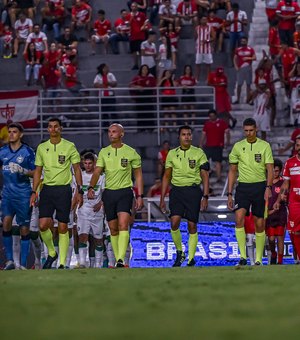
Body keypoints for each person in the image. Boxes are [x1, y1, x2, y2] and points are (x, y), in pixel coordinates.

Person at [87, 123, 144, 268]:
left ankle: (120, 259)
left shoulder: (131, 152)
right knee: (113, 228)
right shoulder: (104, 152)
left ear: (121, 134)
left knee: (123, 224)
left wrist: (140, 195)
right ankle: (118, 258)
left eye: (114, 131)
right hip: (109, 193)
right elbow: (97, 172)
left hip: (125, 192)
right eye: (109, 131)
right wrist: (91, 187)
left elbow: (138, 175)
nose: (110, 134)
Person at [30, 117, 83, 269]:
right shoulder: (42, 148)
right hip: (47, 189)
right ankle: (52, 252)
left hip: (63, 190)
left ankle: (61, 263)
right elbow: (38, 171)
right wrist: (34, 191)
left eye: (56, 126)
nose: (53, 129)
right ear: (48, 129)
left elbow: (77, 169)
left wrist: (79, 190)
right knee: (43, 225)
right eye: (50, 127)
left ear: (60, 129)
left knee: (63, 227)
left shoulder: (69, 146)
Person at [160, 125, 209, 267]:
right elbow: (166, 176)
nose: (186, 137)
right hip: (177, 191)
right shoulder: (171, 154)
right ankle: (180, 252)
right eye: (184, 134)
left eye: (189, 134)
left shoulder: (199, 153)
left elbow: (205, 176)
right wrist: (162, 198)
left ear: (192, 137)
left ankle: (191, 258)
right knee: (174, 222)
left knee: (192, 225)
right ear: (179, 137)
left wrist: (205, 196)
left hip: (193, 191)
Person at [227, 118, 274, 266]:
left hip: (260, 186)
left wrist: (268, 188)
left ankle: (259, 259)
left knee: (259, 223)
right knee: (238, 219)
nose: (248, 133)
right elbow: (233, 171)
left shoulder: (264, 146)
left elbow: (270, 169)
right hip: (243, 187)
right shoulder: (237, 146)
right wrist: (229, 193)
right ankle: (243, 257)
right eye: (246, 131)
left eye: (251, 130)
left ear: (256, 129)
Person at [0, 123, 35, 270]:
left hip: (23, 194)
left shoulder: (28, 152)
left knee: (24, 228)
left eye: (15, 132)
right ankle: (9, 261)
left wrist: (23, 171)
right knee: (6, 223)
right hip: (7, 194)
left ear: (21, 134)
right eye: (10, 132)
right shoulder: (2, 152)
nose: (11, 134)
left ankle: (23, 263)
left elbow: (36, 172)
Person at [77, 152, 105, 268]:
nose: (88, 165)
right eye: (85, 163)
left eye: (90, 163)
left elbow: (106, 193)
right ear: (83, 164)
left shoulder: (101, 176)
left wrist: (101, 203)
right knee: (82, 236)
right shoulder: (79, 176)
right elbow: (75, 193)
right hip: (83, 211)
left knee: (98, 239)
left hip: (97, 211)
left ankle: (98, 264)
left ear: (94, 164)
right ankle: (83, 262)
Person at [274, 137, 300, 261]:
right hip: (294, 203)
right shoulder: (289, 163)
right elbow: (285, 184)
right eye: (297, 145)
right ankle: (298, 258)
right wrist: (278, 201)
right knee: (294, 232)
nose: (299, 148)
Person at [200, 109, 230, 183]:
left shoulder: (222, 123)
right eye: (210, 116)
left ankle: (219, 177)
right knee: (204, 161)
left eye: (213, 116)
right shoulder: (207, 124)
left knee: (218, 162)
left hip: (218, 145)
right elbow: (203, 134)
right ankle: (204, 176)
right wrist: (201, 143)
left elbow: (227, 132)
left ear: (216, 116)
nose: (212, 117)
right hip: (208, 145)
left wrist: (227, 141)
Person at [266, 159, 287, 265]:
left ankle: (280, 262)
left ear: (280, 171)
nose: (275, 173)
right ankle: (273, 253)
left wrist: (285, 198)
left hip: (281, 214)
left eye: (277, 171)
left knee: (280, 238)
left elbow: (286, 196)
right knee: (271, 239)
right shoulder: (265, 183)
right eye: (273, 171)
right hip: (269, 214)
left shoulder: (283, 183)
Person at [129, 64, 156, 129]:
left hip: (148, 98)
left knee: (149, 113)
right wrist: (137, 86)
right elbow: (131, 85)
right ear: (141, 70)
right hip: (140, 97)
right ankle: (141, 128)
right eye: (143, 69)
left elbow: (154, 87)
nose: (145, 70)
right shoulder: (137, 78)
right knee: (140, 114)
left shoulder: (151, 78)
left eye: (146, 69)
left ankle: (150, 128)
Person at [233, 36, 256, 104]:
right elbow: (234, 58)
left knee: (248, 84)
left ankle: (248, 99)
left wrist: (248, 58)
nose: (243, 42)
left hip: (248, 67)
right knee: (239, 84)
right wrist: (236, 66)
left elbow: (254, 57)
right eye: (242, 41)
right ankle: (238, 99)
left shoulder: (250, 49)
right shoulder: (238, 49)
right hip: (240, 68)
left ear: (247, 41)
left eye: (244, 41)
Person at [93, 63, 117, 127]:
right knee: (104, 112)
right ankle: (105, 127)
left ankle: (116, 126)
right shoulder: (98, 76)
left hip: (110, 96)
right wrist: (101, 85)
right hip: (102, 97)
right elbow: (95, 84)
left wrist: (108, 83)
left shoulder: (111, 75)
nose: (107, 68)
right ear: (102, 69)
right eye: (106, 67)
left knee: (113, 111)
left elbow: (115, 83)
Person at [194, 15, 215, 82]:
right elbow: (195, 37)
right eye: (203, 19)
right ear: (200, 20)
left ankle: (208, 78)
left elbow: (213, 37)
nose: (204, 21)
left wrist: (207, 41)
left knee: (208, 65)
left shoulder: (210, 28)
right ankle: (196, 78)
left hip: (207, 49)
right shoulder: (197, 28)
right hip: (199, 49)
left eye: (205, 19)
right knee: (197, 64)